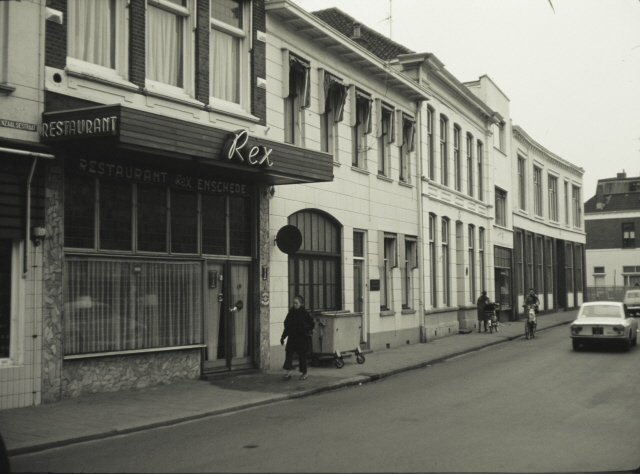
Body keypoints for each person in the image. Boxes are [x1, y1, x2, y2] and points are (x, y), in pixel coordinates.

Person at [281, 295, 315, 380]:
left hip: (301, 338)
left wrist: (304, 328)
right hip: (292, 337)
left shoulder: (304, 313)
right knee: (289, 353)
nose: (294, 305)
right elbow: (287, 326)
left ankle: (304, 373)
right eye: (293, 303)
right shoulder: (291, 313)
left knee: (302, 356)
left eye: (296, 303)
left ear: (300, 304)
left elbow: (312, 324)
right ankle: (289, 371)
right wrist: (283, 337)